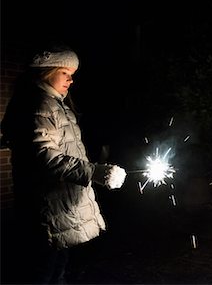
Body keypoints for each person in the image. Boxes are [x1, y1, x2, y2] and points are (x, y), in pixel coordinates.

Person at [1, 44, 127, 284]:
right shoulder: (40, 105)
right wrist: (94, 172)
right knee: (43, 271)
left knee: (58, 267)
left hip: (60, 205)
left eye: (72, 75)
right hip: (46, 207)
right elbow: (45, 156)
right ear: (47, 72)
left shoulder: (55, 104)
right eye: (65, 73)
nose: (71, 81)